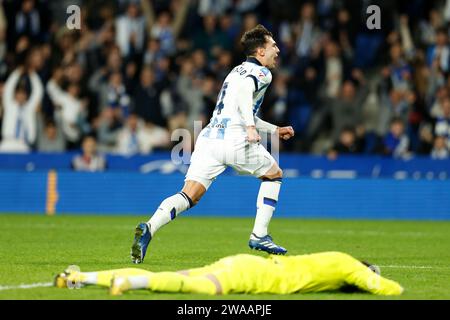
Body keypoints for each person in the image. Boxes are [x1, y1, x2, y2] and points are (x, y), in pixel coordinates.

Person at [130, 25, 295, 264]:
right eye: (273, 46)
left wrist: (274, 130)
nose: (277, 50)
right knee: (274, 175)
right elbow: (246, 97)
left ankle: (149, 228)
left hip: (209, 139)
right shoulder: (261, 74)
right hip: (235, 138)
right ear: (260, 51)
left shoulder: (234, 72)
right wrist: (249, 128)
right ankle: (260, 234)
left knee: (189, 195)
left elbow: (239, 108)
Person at [54, 251, 403, 296]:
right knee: (198, 290)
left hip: (245, 262)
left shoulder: (329, 261)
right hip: (252, 278)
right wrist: (388, 285)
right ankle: (132, 282)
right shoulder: (345, 265)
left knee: (177, 274)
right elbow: (387, 289)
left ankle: (79, 276)